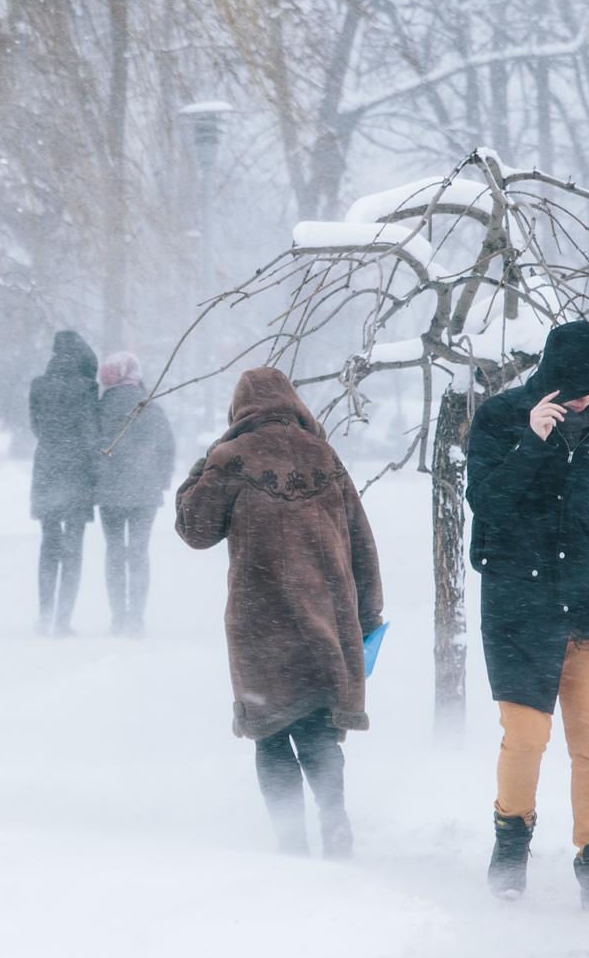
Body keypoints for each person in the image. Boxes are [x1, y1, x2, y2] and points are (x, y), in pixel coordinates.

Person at [466, 320, 589, 914]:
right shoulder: (501, 418)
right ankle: (509, 849)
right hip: (517, 606)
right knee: (526, 739)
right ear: (550, 383)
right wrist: (532, 442)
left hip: (587, 604)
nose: (586, 400)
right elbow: (487, 503)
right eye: (576, 390)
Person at [176, 367, 383, 859]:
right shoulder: (326, 458)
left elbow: (195, 529)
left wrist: (202, 466)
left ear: (238, 410)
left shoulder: (230, 460)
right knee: (316, 728)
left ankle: (291, 842)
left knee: (270, 733)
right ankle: (335, 824)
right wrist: (369, 614)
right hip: (326, 617)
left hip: (259, 623)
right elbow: (362, 543)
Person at [94, 352, 175, 637]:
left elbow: (92, 445)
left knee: (115, 551)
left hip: (110, 491)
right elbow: (167, 446)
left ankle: (117, 617)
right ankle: (136, 618)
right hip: (144, 491)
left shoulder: (100, 408)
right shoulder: (149, 406)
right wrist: (162, 479)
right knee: (139, 552)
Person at [30, 330, 99, 636]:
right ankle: (63, 619)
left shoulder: (39, 386)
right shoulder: (86, 388)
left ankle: (44, 613)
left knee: (48, 544)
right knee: (73, 547)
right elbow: (89, 432)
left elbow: (35, 425)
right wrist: (95, 465)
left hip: (45, 468)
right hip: (76, 472)